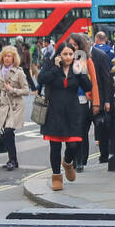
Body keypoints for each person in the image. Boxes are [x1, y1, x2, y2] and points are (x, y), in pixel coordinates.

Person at [37, 37, 94, 191]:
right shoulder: (50, 65)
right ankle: (56, 176)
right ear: (59, 55)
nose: (68, 57)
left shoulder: (77, 68)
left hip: (72, 111)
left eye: (71, 54)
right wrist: (56, 68)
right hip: (54, 112)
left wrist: (81, 70)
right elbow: (41, 79)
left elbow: (88, 86)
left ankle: (67, 163)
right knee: (55, 146)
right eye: (65, 54)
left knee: (74, 144)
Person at [64, 32, 101, 175]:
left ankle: (80, 160)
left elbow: (95, 84)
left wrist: (96, 103)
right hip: (67, 101)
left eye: (75, 45)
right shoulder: (63, 60)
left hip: (82, 100)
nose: (72, 47)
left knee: (81, 132)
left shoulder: (86, 60)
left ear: (80, 46)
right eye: (70, 44)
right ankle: (71, 159)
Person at [0, 45, 29, 170]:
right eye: (5, 56)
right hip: (3, 105)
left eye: (9, 56)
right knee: (7, 134)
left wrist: (12, 89)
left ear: (14, 58)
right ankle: (13, 160)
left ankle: (12, 160)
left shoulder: (18, 72)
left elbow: (26, 90)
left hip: (15, 106)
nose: (7, 58)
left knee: (8, 131)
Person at [90, 32, 115, 166]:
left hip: (99, 96)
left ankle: (102, 152)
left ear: (96, 39)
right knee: (100, 126)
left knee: (100, 126)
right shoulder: (111, 51)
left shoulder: (98, 54)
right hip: (98, 96)